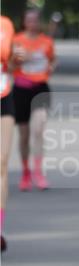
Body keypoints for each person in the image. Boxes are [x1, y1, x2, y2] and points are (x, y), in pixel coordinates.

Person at [13, 9, 56, 191]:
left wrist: (52, 66)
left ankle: (38, 173)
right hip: (21, 89)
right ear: (24, 22)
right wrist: (19, 60)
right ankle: (25, 173)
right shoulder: (16, 40)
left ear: (39, 22)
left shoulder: (46, 41)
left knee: (38, 131)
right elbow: (9, 64)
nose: (32, 23)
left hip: (40, 89)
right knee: (24, 135)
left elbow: (53, 60)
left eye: (35, 20)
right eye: (29, 20)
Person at [1, 15, 17, 251]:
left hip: (3, 95)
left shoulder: (5, 24)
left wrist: (16, 60)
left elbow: (11, 64)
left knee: (2, 163)